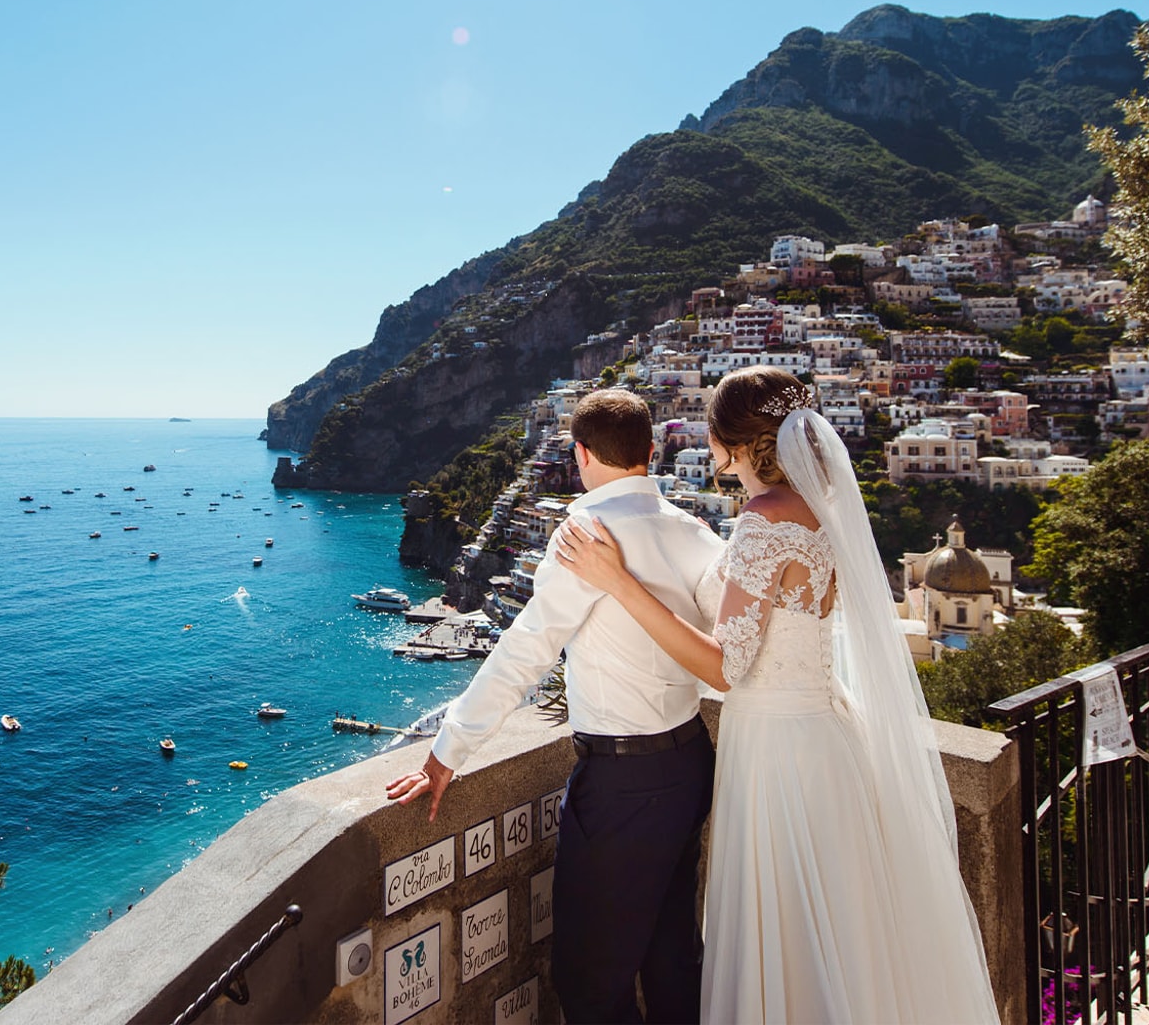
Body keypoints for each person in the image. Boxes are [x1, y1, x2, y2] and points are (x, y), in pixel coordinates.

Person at [553, 366, 998, 1024]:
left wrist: (619, 583)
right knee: (838, 934)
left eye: (709, 425)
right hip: (827, 736)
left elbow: (727, 667)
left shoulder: (763, 522)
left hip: (776, 751)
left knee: (785, 929)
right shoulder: (820, 511)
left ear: (733, 439)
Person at [386, 388, 724, 1024]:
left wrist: (447, 750)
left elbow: (526, 649)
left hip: (623, 780)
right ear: (653, 453)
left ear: (580, 454)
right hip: (689, 763)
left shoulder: (586, 533)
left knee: (590, 979)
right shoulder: (695, 531)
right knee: (673, 955)